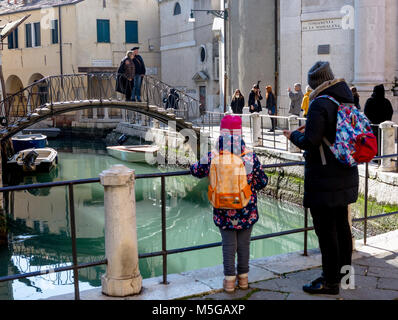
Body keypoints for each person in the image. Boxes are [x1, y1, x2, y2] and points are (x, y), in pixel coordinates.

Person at [283, 61, 359, 295]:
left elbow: (310, 142)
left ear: (315, 83)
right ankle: (346, 278)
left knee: (326, 232)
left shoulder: (319, 104)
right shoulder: (346, 99)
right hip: (346, 172)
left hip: (325, 178)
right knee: (343, 229)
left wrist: (293, 135)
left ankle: (330, 282)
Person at [190, 115, 268, 293]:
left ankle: (229, 282)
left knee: (228, 245)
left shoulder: (213, 155)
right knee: (244, 245)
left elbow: (195, 170)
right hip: (246, 208)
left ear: (221, 134)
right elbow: (262, 181)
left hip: (222, 208)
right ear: (240, 134)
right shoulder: (249, 157)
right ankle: (243, 280)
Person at [364, 84, 394, 154]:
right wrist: (386, 121)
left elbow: (366, 112)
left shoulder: (370, 100)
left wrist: (373, 120)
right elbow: (390, 112)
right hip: (383, 126)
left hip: (374, 125)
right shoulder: (386, 101)